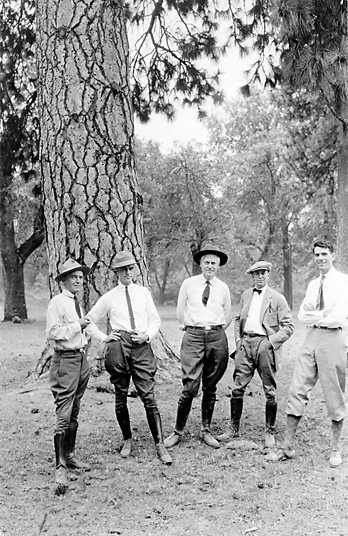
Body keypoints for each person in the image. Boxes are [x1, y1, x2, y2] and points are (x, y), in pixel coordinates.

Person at [267, 239, 348, 467]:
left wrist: (320, 315)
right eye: (317, 255)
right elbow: (303, 315)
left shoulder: (343, 282)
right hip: (311, 337)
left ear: (332, 255)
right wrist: (321, 315)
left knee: (334, 393)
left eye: (324, 254)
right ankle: (287, 446)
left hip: (334, 338)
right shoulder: (314, 284)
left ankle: (335, 448)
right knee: (297, 388)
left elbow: (339, 316)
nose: (320, 258)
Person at [87, 250, 172, 465]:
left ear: (134, 269)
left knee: (148, 396)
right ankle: (127, 439)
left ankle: (160, 444)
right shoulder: (109, 297)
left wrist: (147, 335)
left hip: (141, 344)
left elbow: (155, 321)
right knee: (120, 394)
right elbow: (88, 320)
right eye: (122, 269)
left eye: (130, 268)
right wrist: (105, 338)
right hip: (119, 346)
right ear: (116, 272)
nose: (127, 272)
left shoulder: (143, 293)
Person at [218, 260, 294, 448]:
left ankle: (270, 431)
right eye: (256, 274)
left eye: (263, 273)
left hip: (265, 344)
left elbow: (289, 327)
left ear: (268, 275)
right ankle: (233, 429)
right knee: (237, 388)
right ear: (252, 277)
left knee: (270, 390)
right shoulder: (245, 295)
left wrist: (270, 342)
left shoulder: (277, 298)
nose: (260, 277)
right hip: (245, 344)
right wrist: (238, 342)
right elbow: (237, 320)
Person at [164, 245, 232, 449]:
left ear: (218, 265)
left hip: (216, 336)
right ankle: (178, 431)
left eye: (214, 262)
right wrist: (192, 327)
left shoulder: (223, 287)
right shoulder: (189, 284)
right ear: (200, 264)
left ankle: (205, 430)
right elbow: (179, 310)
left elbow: (228, 313)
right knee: (190, 386)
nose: (210, 266)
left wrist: (215, 330)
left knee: (211, 386)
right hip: (193, 335)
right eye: (206, 262)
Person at [47, 258, 99, 495]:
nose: (78, 281)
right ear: (63, 281)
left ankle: (70, 455)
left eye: (80, 277)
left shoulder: (77, 301)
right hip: (65, 361)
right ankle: (60, 467)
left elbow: (85, 328)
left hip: (80, 359)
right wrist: (77, 325)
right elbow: (53, 333)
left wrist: (103, 337)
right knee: (64, 413)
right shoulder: (57, 302)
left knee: (75, 410)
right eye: (73, 278)